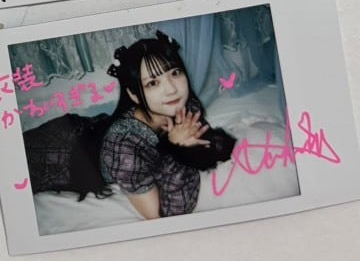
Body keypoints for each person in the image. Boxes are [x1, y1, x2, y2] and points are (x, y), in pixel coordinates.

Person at [22, 31, 235, 220]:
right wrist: (176, 150)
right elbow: (162, 215)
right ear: (133, 94)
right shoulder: (124, 147)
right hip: (54, 155)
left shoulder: (184, 106)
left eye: (175, 73)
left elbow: (208, 145)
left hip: (88, 128)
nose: (172, 89)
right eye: (153, 83)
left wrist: (189, 148)